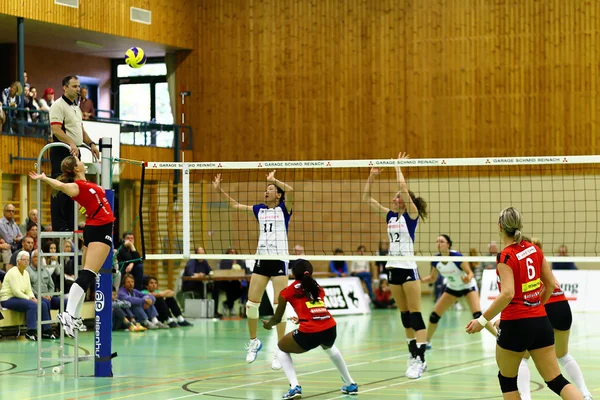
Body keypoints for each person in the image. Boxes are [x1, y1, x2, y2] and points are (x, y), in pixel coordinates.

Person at [465, 207, 583, 400]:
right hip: (540, 322)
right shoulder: (534, 249)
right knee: (556, 380)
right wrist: (535, 305)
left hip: (515, 325)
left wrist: (482, 320)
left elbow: (508, 294)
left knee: (508, 381)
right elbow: (552, 284)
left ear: (500, 227)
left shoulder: (505, 256)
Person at [213, 170, 294, 370]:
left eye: (271, 189)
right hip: (262, 260)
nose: (267, 191)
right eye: (266, 189)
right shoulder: (259, 209)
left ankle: (281, 349)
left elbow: (291, 190)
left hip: (279, 260)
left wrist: (274, 180)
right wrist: (219, 189)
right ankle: (253, 342)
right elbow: (234, 205)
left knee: (278, 307)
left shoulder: (284, 209)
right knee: (251, 305)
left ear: (278, 195)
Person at [29, 155, 114, 338]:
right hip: (100, 229)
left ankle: (72, 316)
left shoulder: (86, 183)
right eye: (79, 161)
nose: (83, 162)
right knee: (88, 274)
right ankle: (67, 315)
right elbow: (60, 186)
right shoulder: (77, 186)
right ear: (76, 168)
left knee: (86, 275)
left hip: (93, 228)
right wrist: (44, 178)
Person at [363, 151, 429, 379]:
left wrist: (397, 166)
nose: (394, 199)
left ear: (405, 199)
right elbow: (367, 200)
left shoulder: (411, 215)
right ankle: (412, 355)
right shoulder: (390, 216)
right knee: (404, 316)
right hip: (392, 268)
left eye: (397, 196)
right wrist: (372, 177)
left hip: (409, 268)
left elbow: (402, 186)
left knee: (416, 315)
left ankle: (421, 359)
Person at [262, 260, 358, 399]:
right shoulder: (318, 287)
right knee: (329, 347)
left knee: (281, 348)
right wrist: (301, 319)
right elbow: (315, 308)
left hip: (310, 332)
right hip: (330, 328)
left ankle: (295, 387)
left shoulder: (287, 292)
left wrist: (268, 325)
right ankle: (351, 383)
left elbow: (277, 319)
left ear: (293, 273)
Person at [515, 238, 592, 400]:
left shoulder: (525, 265)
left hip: (546, 308)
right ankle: (585, 394)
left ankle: (526, 398)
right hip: (563, 306)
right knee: (563, 355)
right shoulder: (543, 262)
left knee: (522, 358)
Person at [422, 234, 497, 348]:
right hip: (453, 288)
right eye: (437, 241)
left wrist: (468, 278)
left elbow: (470, 273)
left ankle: (499, 337)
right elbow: (433, 277)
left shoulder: (457, 257)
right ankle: (427, 341)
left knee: (478, 315)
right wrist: (420, 280)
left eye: (441, 241)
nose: (439, 243)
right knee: (434, 316)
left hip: (468, 287)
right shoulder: (436, 260)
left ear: (448, 244)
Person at [49, 76, 100, 232]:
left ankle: (70, 224)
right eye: (74, 86)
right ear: (65, 87)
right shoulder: (58, 105)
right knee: (60, 186)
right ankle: (60, 226)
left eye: (79, 86)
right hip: (62, 151)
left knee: (75, 188)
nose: (78, 89)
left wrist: (91, 143)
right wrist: (70, 143)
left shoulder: (76, 107)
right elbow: (56, 129)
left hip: (75, 151)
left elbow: (80, 130)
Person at [0, 251, 54, 341]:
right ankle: (31, 332)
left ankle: (46, 330)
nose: (26, 261)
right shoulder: (13, 272)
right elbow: (16, 291)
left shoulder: (26, 273)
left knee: (42, 304)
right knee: (32, 305)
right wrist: (30, 299)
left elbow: (29, 290)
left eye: (27, 260)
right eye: (24, 260)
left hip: (19, 298)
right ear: (18, 261)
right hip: (8, 299)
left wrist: (33, 298)